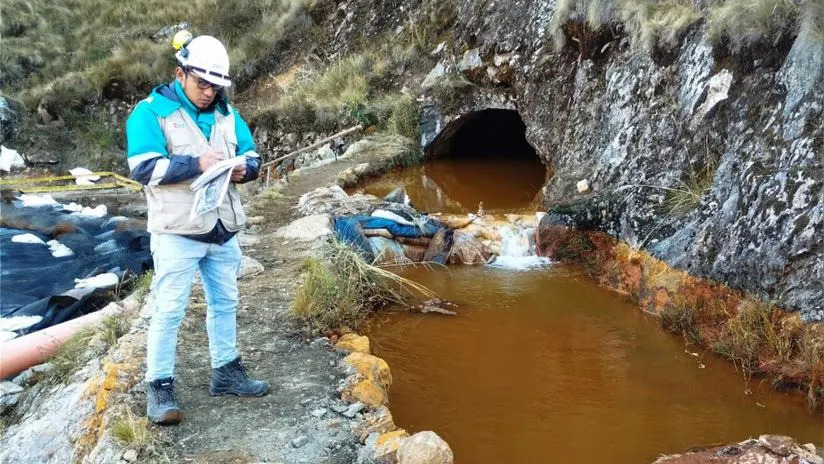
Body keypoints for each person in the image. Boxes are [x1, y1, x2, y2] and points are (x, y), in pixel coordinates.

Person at [125, 32, 269, 425]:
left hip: (222, 228)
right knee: (169, 310)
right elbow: (142, 167)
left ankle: (226, 372)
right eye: (201, 83)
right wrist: (197, 164)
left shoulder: (227, 113)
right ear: (181, 73)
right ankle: (159, 387)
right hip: (177, 232)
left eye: (215, 85)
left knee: (226, 301)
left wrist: (244, 168)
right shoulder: (150, 112)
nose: (208, 92)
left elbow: (252, 155)